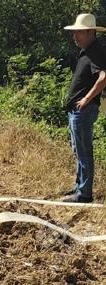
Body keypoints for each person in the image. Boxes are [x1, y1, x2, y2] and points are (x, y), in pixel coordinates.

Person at [62, 14, 106, 203]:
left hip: (83, 111)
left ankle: (84, 194)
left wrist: (86, 99)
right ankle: (80, 185)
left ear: (91, 32)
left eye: (79, 32)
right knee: (79, 150)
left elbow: (104, 77)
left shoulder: (95, 51)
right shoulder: (88, 50)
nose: (75, 36)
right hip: (78, 111)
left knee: (84, 152)